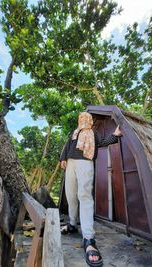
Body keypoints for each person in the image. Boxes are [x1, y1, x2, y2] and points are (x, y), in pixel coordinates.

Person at [59, 112, 122, 267]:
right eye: (81, 118)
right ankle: (72, 224)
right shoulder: (74, 132)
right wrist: (63, 158)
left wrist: (115, 135)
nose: (83, 120)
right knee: (70, 194)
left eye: (85, 118)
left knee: (84, 196)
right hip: (71, 163)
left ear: (90, 120)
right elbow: (67, 145)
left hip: (85, 163)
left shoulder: (93, 132)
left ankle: (89, 239)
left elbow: (102, 142)